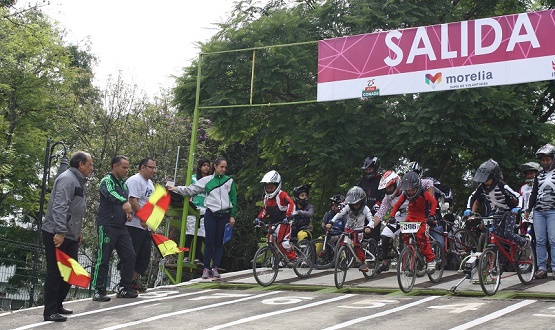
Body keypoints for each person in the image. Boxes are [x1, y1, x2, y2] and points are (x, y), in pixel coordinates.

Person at [41, 151, 93, 322]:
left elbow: (76, 210)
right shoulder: (67, 179)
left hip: (70, 234)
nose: (91, 168)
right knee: (55, 272)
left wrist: (77, 232)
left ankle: (58, 305)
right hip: (56, 232)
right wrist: (60, 231)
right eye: (90, 165)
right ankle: (49, 311)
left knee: (69, 271)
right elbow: (60, 206)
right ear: (81, 164)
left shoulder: (79, 181)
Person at [168, 157, 237, 279]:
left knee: (219, 243)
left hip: (224, 215)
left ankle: (215, 267)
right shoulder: (207, 180)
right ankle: (206, 268)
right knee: (209, 241)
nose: (224, 169)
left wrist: (232, 216)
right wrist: (176, 189)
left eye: (225, 167)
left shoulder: (229, 181)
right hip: (211, 214)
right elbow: (191, 189)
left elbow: (234, 199)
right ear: (215, 166)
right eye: (221, 167)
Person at [465, 159, 529, 265]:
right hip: (496, 213)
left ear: (493, 177)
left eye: (487, 180)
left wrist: (518, 207)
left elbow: (518, 196)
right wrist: (468, 209)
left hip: (509, 212)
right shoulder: (481, 187)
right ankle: (501, 264)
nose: (485, 183)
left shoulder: (502, 185)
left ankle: (524, 243)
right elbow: (472, 197)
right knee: (497, 238)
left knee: (507, 234)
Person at [92, 155, 137, 301]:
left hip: (121, 226)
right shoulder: (107, 181)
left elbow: (124, 205)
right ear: (115, 166)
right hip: (107, 225)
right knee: (104, 257)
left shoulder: (124, 185)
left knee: (130, 255)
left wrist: (128, 214)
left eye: (127, 167)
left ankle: (124, 287)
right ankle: (98, 290)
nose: (126, 170)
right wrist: (124, 202)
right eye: (124, 167)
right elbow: (111, 194)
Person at [390, 171, 437, 273]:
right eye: (408, 190)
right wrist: (391, 216)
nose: (410, 192)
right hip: (410, 217)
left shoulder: (423, 193)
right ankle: (411, 256)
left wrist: (432, 215)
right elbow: (397, 205)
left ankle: (430, 260)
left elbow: (433, 202)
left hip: (423, 218)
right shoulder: (405, 194)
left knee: (422, 237)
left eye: (413, 190)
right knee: (405, 236)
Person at [125, 157, 156, 293]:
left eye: (155, 168)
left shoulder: (150, 184)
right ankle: (125, 283)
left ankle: (133, 281)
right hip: (133, 225)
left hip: (145, 227)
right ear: (143, 167)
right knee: (132, 255)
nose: (154, 171)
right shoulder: (135, 180)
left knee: (143, 257)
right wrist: (142, 218)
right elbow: (133, 200)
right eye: (151, 167)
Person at [325, 186, 374, 272]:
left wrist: (369, 227)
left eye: (357, 204)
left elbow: (371, 219)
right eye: (353, 204)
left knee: (357, 245)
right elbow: (339, 214)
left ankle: (363, 262)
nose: (355, 206)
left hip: (359, 231)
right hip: (348, 229)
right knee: (341, 243)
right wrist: (331, 222)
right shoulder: (348, 207)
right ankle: (343, 259)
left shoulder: (365, 209)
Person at [253, 170, 297, 266]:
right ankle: (275, 259)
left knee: (282, 242)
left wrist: (288, 216)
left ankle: (293, 257)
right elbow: (265, 210)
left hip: (284, 221)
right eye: (267, 187)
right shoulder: (266, 198)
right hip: (273, 222)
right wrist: (259, 218)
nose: (269, 189)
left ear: (277, 186)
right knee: (270, 242)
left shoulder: (282, 195)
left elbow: (291, 204)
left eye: (271, 187)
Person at [526, 144, 555, 279]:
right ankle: (542, 268)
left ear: (553, 159)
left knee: (553, 239)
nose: (545, 162)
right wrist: (528, 209)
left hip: (552, 211)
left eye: (547, 160)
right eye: (543, 160)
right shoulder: (538, 176)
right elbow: (534, 193)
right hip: (539, 211)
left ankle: (554, 267)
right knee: (540, 240)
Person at [373, 170, 403, 273]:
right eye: (387, 188)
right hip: (398, 219)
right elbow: (380, 214)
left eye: (391, 187)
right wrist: (370, 226)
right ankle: (385, 263)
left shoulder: (407, 190)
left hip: (414, 216)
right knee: (385, 235)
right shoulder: (387, 198)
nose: (389, 190)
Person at [183, 158, 212, 266]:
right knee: (189, 232)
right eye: (204, 165)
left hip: (205, 208)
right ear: (200, 167)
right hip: (194, 207)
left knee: (200, 234)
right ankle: (185, 255)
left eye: (208, 165)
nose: (206, 167)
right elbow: (188, 190)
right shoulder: (194, 178)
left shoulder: (210, 180)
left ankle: (196, 256)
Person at [358, 156, 385, 242]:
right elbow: (357, 192)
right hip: (363, 211)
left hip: (375, 212)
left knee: (373, 235)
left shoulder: (381, 181)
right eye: (366, 170)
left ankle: (375, 252)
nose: (368, 172)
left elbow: (384, 196)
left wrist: (378, 204)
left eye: (369, 169)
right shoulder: (363, 180)